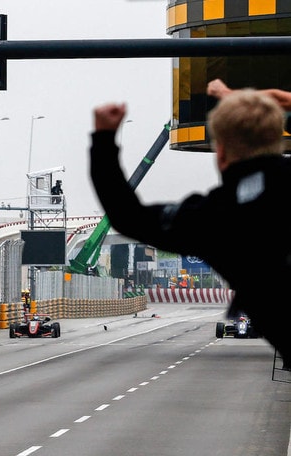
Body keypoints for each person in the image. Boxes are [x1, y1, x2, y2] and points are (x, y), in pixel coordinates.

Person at [89, 87, 291, 368]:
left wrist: (103, 140)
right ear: (278, 139)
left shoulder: (217, 216)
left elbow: (128, 216)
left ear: (221, 153)